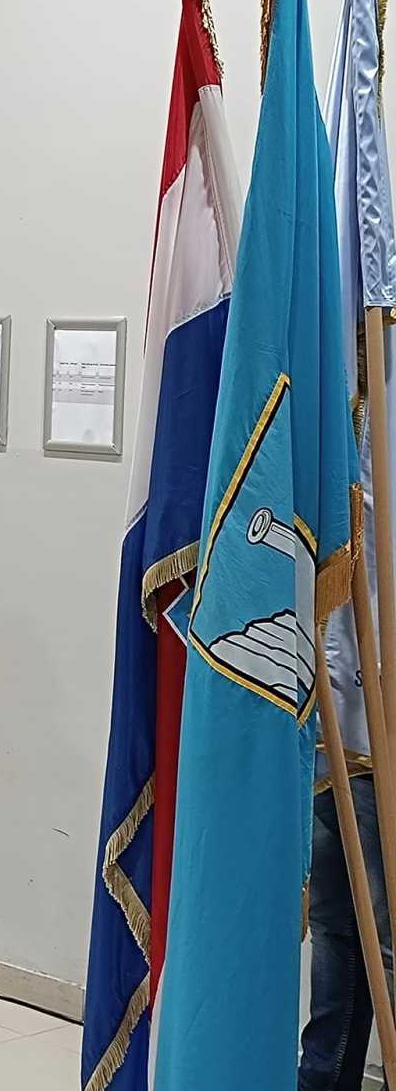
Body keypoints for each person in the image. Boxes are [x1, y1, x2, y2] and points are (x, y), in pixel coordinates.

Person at [301, 467, 391, 1091]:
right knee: (338, 931)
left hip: (377, 726)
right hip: (330, 728)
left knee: (384, 941)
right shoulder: (337, 437)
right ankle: (324, 1080)